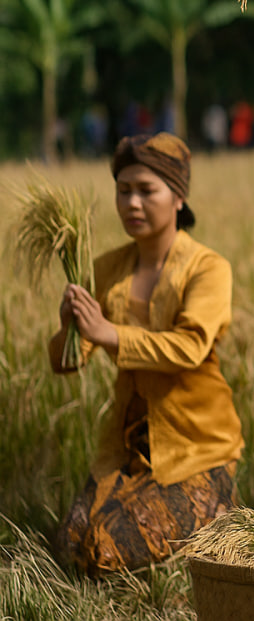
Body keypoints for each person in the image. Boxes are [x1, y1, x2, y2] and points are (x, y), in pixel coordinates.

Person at [48, 133, 242, 575]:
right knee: (71, 545)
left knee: (105, 551)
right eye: (123, 190)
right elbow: (67, 361)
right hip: (126, 449)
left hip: (195, 446)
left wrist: (108, 332)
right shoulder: (107, 269)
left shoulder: (207, 268)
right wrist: (70, 329)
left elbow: (190, 347)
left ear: (178, 197)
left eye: (146, 191)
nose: (132, 203)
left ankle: (218, 508)